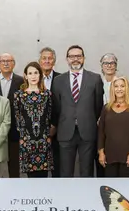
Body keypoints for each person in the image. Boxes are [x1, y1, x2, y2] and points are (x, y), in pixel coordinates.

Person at [51, 45, 104, 177]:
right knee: (65, 172)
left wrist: (87, 118)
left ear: (84, 58)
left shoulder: (95, 79)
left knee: (87, 171)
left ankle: (86, 197)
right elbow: (56, 107)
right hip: (65, 132)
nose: (75, 59)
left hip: (87, 131)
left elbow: (98, 106)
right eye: (72, 56)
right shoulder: (58, 81)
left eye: (78, 56)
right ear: (67, 59)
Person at [97, 76, 129, 178]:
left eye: (122, 86)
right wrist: (101, 152)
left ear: (127, 88)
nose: (119, 89)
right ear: (112, 89)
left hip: (128, 157)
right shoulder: (106, 108)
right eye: (116, 86)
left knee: (128, 188)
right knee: (112, 189)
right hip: (110, 156)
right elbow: (101, 132)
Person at [13, 62, 53, 178]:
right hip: (27, 140)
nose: (33, 76)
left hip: (43, 140)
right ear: (25, 76)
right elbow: (18, 118)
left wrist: (47, 136)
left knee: (43, 176)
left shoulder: (47, 94)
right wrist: (23, 138)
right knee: (30, 178)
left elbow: (49, 117)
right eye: (30, 73)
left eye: (36, 73)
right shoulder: (19, 95)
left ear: (40, 75)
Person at [0, 53, 25, 178]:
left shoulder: (22, 81)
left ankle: (15, 190)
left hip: (15, 129)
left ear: (14, 63)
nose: (6, 63)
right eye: (3, 61)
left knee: (14, 164)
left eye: (9, 61)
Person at [38, 47, 61, 175]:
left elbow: (64, 105)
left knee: (57, 168)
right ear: (39, 61)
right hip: (36, 133)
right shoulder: (32, 79)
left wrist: (55, 125)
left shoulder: (62, 79)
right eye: (44, 58)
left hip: (57, 132)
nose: (47, 61)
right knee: (39, 172)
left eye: (50, 58)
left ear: (54, 61)